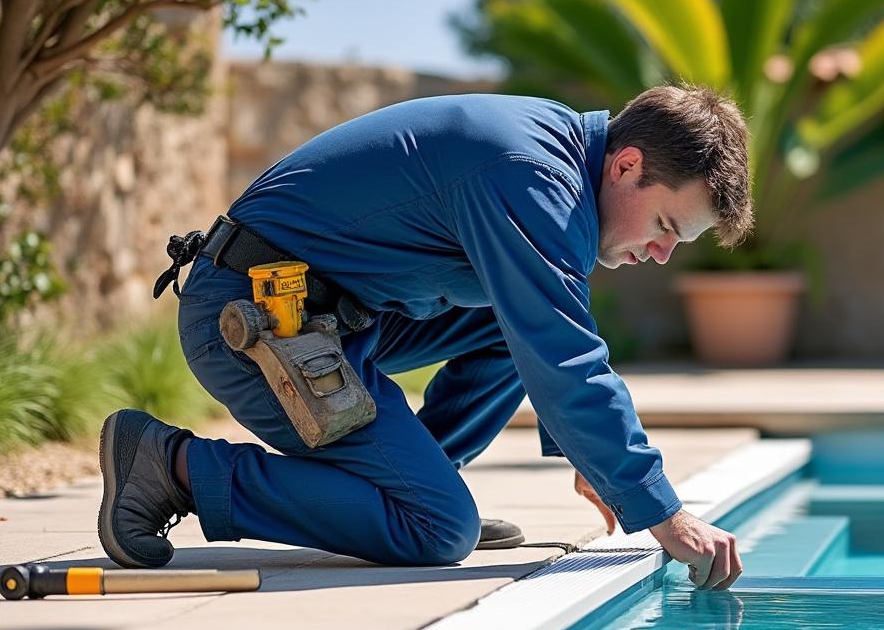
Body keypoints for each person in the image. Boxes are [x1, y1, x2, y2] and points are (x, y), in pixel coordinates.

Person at [97, 84, 752, 590]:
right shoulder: (531, 172)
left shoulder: (556, 159)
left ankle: (419, 479)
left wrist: (590, 453)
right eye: (666, 223)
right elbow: (565, 357)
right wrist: (663, 512)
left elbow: (541, 328)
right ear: (628, 165)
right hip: (252, 320)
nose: (663, 251)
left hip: (334, 317)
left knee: (507, 316)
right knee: (438, 530)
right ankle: (172, 467)